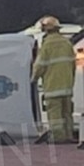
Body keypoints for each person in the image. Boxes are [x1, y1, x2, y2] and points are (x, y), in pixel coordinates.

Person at [31, 16, 76, 144]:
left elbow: (40, 65)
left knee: (55, 114)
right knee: (67, 112)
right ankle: (68, 135)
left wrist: (33, 78)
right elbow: (73, 65)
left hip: (52, 86)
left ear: (45, 30)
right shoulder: (67, 43)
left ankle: (58, 137)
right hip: (67, 85)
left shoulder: (47, 45)